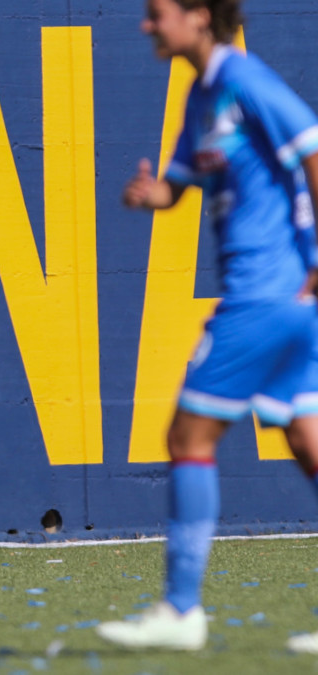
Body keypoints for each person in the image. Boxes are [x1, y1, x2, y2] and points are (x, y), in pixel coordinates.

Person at [96, 0, 318, 652]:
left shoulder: (246, 81)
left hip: (265, 294)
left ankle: (182, 609)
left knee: (187, 433)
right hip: (286, 301)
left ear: (199, 16)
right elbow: (179, 187)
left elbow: (313, 149)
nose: (146, 25)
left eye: (157, 12)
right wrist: (151, 194)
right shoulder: (202, 94)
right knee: (307, 438)